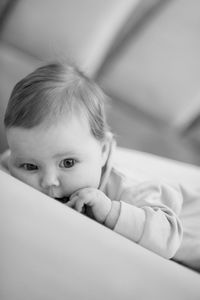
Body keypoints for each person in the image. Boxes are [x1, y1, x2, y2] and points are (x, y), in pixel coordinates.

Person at [1, 61, 198, 270]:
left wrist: (110, 211)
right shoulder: (21, 157)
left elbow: (168, 236)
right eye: (30, 167)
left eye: (67, 163)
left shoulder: (129, 188)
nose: (49, 180)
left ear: (103, 151)